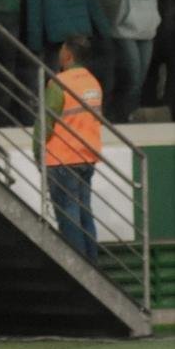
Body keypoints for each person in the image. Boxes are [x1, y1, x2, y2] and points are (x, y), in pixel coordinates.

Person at [36, 36, 102, 262]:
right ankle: (92, 265)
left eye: (61, 50)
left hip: (62, 159)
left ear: (68, 55)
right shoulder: (93, 83)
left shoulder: (59, 83)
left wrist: (38, 155)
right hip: (87, 157)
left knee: (68, 215)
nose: (59, 54)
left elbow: (44, 124)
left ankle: (79, 268)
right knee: (85, 214)